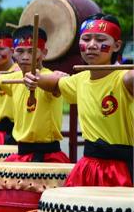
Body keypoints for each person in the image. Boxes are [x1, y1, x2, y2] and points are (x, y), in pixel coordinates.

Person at [26, 14, 133, 186]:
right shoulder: (80, 79)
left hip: (123, 169)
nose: (91, 45)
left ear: (117, 46)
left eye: (100, 40)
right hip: (88, 166)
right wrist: (34, 78)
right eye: (86, 39)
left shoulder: (125, 79)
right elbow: (54, 84)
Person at [0, 26, 69, 163]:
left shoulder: (51, 77)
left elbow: (55, 85)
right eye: (20, 51)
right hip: (21, 154)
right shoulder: (14, 78)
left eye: (32, 51)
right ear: (13, 53)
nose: (25, 57)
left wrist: (44, 80)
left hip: (48, 156)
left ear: (44, 53)